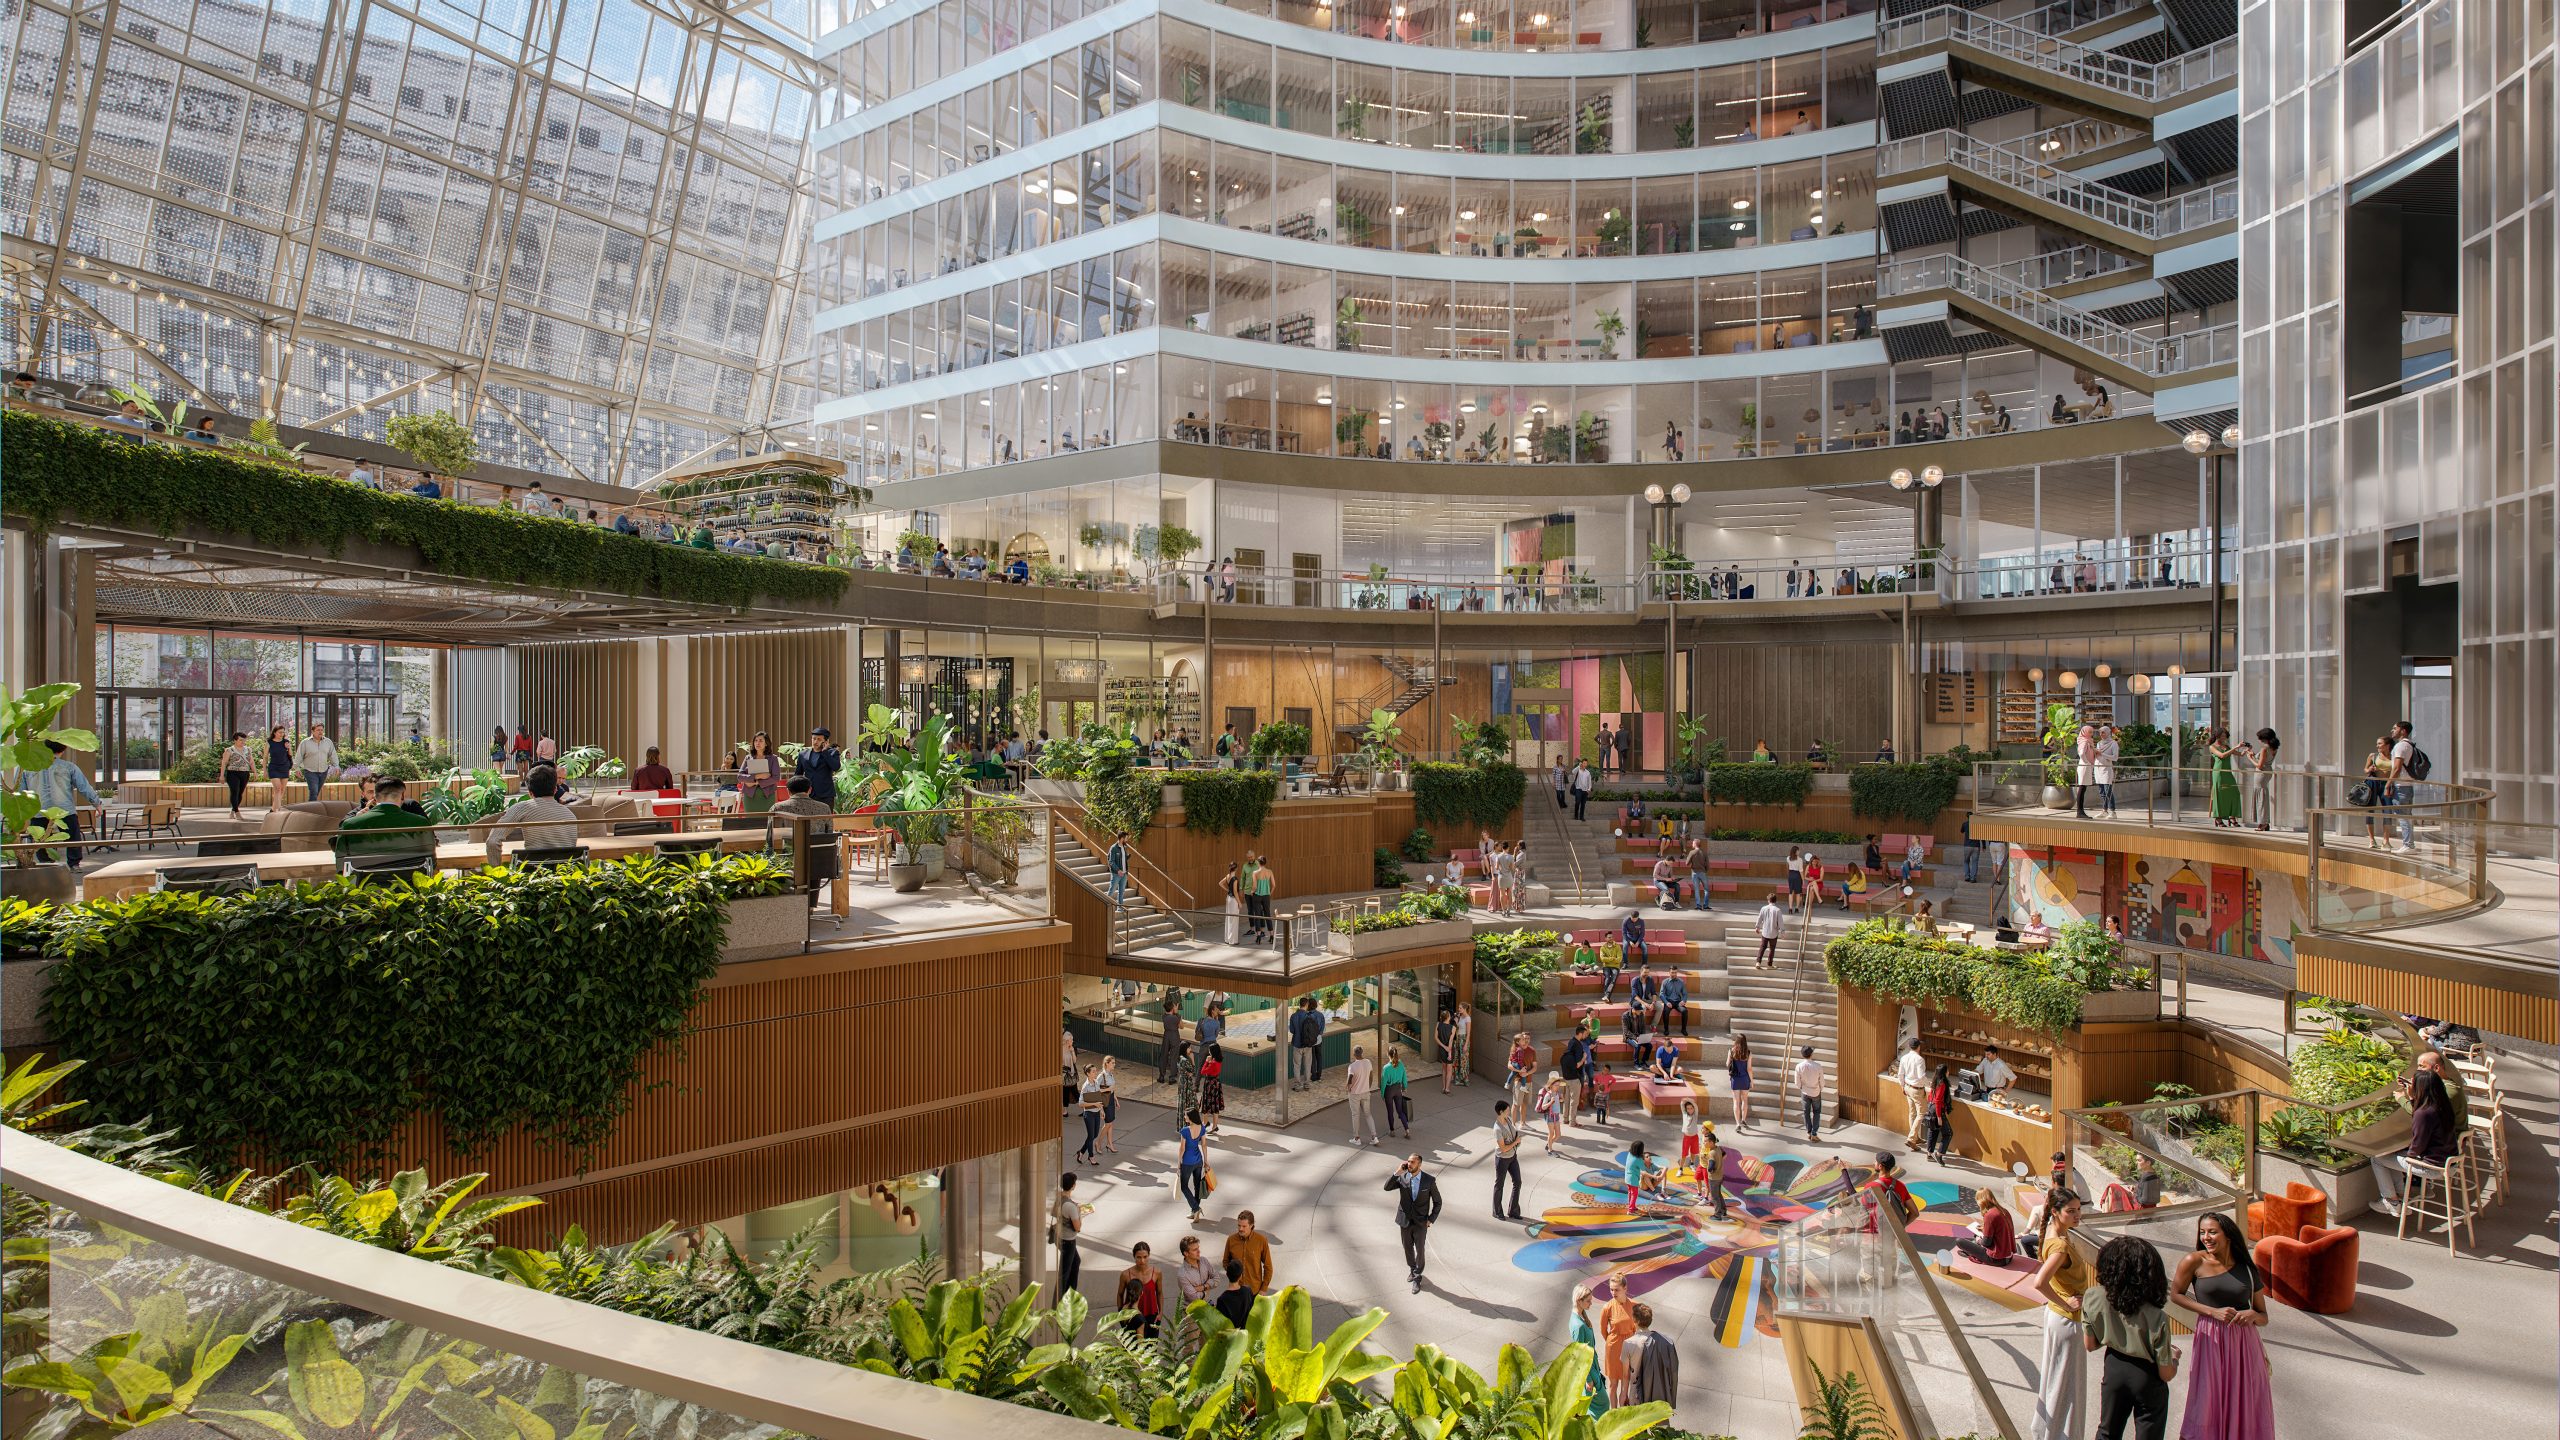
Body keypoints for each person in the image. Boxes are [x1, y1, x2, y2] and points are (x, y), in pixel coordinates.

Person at [2171, 1211, 2275, 1440]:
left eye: (2212, 1232)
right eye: (2202, 1232)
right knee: (2206, 1398)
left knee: (2245, 1398)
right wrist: (2211, 1312)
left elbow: (2263, 1316)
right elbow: (2176, 1295)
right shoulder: (2194, 1261)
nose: (2206, 1237)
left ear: (2227, 1235)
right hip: (2210, 1337)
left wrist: (2251, 1315)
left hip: (2244, 1344)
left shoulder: (2247, 1269)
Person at [2082, 1235, 2178, 1440]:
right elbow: (2166, 1374)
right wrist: (2175, 1359)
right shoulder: (2156, 1315)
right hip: (2147, 1376)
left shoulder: (2092, 1296)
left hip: (2114, 1367)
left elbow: (2090, 1344)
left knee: (2107, 1431)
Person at [2027, 1187, 2089, 1440]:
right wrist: (2066, 1304)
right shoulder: (2060, 1245)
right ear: (2055, 1212)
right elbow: (2039, 1283)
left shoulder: (2052, 1235)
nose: (2077, 1215)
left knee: (2055, 1378)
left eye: (2079, 1210)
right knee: (2067, 1383)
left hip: (2057, 1317)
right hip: (2066, 1320)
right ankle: (2059, 1435)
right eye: (2071, 1211)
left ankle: (2047, 1432)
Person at [2369, 1049, 2460, 1213]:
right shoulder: (2443, 1104)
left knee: (2377, 1158)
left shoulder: (2423, 1113)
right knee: (2392, 1156)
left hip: (2433, 1167)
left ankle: (2392, 1201)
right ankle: (2400, 1196)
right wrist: (2412, 1098)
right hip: (2450, 1160)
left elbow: (2417, 1147)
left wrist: (2403, 1153)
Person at [20, 740, 103, 866]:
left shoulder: (28, 767)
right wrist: (97, 804)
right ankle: (74, 863)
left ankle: (45, 863)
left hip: (39, 809)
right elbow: (84, 787)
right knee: (73, 837)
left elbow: (21, 791)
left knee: (39, 839)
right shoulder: (69, 767)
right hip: (64, 809)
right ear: (63, 750)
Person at [334, 777, 437, 858]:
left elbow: (341, 857)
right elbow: (430, 853)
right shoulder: (420, 821)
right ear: (401, 796)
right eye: (370, 792)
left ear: (377, 795)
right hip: (409, 877)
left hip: (366, 879)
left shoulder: (350, 824)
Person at [1384, 1153, 1444, 1292]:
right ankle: (1412, 1269)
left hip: (1421, 1222)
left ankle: (1417, 1277)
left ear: (1419, 1164)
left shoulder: (1429, 1181)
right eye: (1409, 1161)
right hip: (1404, 1220)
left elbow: (1438, 1202)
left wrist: (1431, 1219)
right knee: (1407, 1248)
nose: (1409, 1164)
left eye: (1413, 1162)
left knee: (1420, 1249)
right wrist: (1397, 1172)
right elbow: (1386, 1187)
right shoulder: (1402, 1178)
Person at [1619, 1303, 1679, 1411]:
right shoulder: (1665, 1342)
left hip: (1636, 1395)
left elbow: (1625, 1375)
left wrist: (1623, 1394)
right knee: (1661, 1427)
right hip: (1659, 1394)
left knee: (1637, 1427)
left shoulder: (1628, 1343)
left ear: (1635, 1320)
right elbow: (1673, 1371)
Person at [1597, 1277, 1637, 1405]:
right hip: (1613, 1348)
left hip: (1630, 1347)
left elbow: (1637, 1327)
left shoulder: (1635, 1306)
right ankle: (1613, 1415)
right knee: (1613, 1385)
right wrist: (1613, 1341)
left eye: (1616, 1290)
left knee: (1626, 1385)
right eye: (1611, 1289)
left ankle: (1623, 1415)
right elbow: (1603, 1330)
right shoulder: (1607, 1307)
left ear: (1625, 1288)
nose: (1613, 1293)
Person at [1953, 1187, 2018, 1266]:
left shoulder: (1990, 1215)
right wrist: (1984, 1229)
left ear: (1980, 1201)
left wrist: (1979, 1240)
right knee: (1976, 1236)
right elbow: (2000, 1232)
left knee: (1959, 1241)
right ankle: (1972, 1251)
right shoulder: (2004, 1211)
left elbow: (1986, 1243)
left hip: (1997, 1259)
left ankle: (1971, 1253)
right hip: (2008, 1256)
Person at [1114, 1242, 1165, 1338]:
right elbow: (1120, 1294)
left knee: (1151, 1349)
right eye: (1139, 1257)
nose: (1142, 1261)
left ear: (1149, 1256)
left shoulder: (1156, 1273)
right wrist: (1121, 1313)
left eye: (1145, 1257)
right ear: (1134, 1257)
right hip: (1132, 1316)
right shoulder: (1125, 1274)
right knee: (1132, 1348)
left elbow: (1159, 1293)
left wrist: (1160, 1312)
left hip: (1152, 1316)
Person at [1222, 1209, 1273, 1295]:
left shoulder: (1261, 1240)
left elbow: (1268, 1267)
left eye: (1244, 1226)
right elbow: (1225, 1262)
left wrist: (1263, 1289)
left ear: (1251, 1225)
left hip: (1254, 1292)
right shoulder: (1231, 1240)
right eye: (1239, 1225)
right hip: (1236, 1292)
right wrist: (1233, 1278)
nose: (1240, 1229)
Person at [1052, 1173, 1086, 1297]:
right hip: (1068, 1240)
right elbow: (1077, 1228)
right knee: (1064, 1272)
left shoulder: (1059, 1198)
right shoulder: (1071, 1207)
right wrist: (1079, 1213)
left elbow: (1054, 1213)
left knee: (1076, 1262)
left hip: (1060, 1236)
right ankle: (1061, 1299)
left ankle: (1070, 1293)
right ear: (1073, 1186)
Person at [1491, 1099, 1525, 1219]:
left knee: (1518, 1182)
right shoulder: (1497, 1129)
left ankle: (1513, 1211)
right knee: (1499, 1185)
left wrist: (1517, 1140)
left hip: (1513, 1156)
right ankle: (1497, 1211)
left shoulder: (1509, 1120)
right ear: (1501, 1112)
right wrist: (1515, 1142)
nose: (1509, 1111)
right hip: (1502, 1159)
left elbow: (1514, 1132)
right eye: (1507, 1110)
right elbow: (1503, 1148)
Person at [1895, 1038, 1930, 1148]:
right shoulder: (1919, 1059)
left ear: (1910, 1047)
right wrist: (1929, 1084)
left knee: (1912, 1113)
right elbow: (1921, 1076)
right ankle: (1911, 1138)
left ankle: (1915, 1137)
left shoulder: (1904, 1058)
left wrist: (1902, 1086)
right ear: (1919, 1047)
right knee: (1921, 1114)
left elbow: (1900, 1074)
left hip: (1907, 1087)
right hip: (1917, 1090)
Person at [1174, 1234, 1220, 1315]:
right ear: (1186, 1253)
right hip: (1191, 1313)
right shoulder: (1182, 1274)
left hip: (1206, 1306)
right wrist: (1209, 1287)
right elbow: (1195, 1298)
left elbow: (1217, 1279)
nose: (1199, 1251)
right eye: (1195, 1250)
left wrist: (1203, 1287)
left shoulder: (1204, 1261)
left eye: (1198, 1248)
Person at [795, 726, 842, 805]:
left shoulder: (832, 753)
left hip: (826, 795)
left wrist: (825, 752)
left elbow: (836, 767)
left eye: (819, 739)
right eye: (814, 738)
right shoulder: (803, 754)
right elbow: (798, 774)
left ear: (825, 741)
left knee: (826, 817)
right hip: (807, 794)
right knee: (807, 817)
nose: (815, 742)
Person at [292, 721, 338, 801]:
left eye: (321, 730)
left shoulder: (328, 742)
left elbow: (332, 755)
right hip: (310, 771)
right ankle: (311, 810)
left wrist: (336, 766)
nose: (320, 732)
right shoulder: (305, 742)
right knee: (314, 791)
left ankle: (311, 807)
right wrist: (296, 768)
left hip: (323, 771)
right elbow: (299, 756)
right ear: (312, 731)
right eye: (318, 730)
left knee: (316, 792)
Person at [738, 732, 782, 813]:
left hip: (767, 795)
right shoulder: (748, 757)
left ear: (766, 743)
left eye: (761, 741)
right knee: (751, 821)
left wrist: (757, 783)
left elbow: (776, 778)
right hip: (749, 795)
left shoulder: (773, 758)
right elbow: (740, 776)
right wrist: (757, 777)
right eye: (756, 740)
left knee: (766, 820)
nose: (757, 743)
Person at [215, 730, 256, 818]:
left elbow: (251, 762)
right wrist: (222, 776)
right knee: (234, 791)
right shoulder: (229, 750)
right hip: (233, 773)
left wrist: (255, 772)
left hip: (245, 773)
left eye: (244, 740)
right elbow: (224, 763)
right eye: (241, 740)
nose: (243, 742)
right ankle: (237, 812)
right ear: (235, 740)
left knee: (240, 793)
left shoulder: (248, 750)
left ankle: (233, 809)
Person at [2206, 725, 2242, 827]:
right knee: (2219, 794)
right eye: (2222, 736)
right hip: (2218, 773)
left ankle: (2232, 816)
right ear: (2217, 736)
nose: (2224, 738)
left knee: (2234, 793)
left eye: (2225, 736)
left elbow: (2240, 754)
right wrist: (2235, 747)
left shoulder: (2227, 747)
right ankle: (2218, 818)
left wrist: (2246, 750)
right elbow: (2222, 755)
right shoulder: (2212, 747)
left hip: (2227, 772)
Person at [2246, 726, 2280, 831]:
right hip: (2268, 770)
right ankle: (2264, 821)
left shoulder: (2264, 748)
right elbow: (2265, 760)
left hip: (2261, 773)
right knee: (2263, 796)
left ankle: (2263, 822)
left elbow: (2259, 765)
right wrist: (2254, 755)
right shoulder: (2273, 747)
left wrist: (2250, 758)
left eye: (2260, 738)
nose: (2259, 740)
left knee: (2261, 797)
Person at [1346, 1044, 1380, 1146]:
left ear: (1354, 1054)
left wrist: (1348, 1088)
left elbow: (1349, 1079)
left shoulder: (1352, 1066)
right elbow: (1371, 1076)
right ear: (1362, 1053)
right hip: (1366, 1093)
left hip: (1355, 1094)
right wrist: (1368, 1087)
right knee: (1368, 1114)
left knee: (1355, 1115)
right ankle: (1374, 1137)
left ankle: (1357, 1138)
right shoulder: (1368, 1062)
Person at [1288, 995, 1324, 1089]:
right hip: (1308, 1045)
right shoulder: (1310, 1016)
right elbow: (1315, 1030)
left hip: (1297, 1044)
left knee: (1297, 1065)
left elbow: (1292, 1030)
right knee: (1308, 1065)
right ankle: (1307, 1084)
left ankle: (1297, 1085)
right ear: (1307, 1005)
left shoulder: (1293, 1016)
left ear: (1299, 1005)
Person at [1922, 1064, 1955, 1163]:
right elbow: (1938, 1101)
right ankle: (1939, 1153)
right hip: (1937, 1110)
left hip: (1931, 1108)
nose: (1949, 1072)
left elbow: (1930, 1097)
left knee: (1933, 1131)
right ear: (1944, 1073)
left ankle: (1929, 1153)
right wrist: (1939, 1116)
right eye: (1947, 1071)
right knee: (1948, 1133)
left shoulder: (1935, 1081)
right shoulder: (1942, 1084)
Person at [1794, 1044, 1825, 1142]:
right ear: (1811, 1054)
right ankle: (1814, 1133)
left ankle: (1808, 1132)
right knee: (1816, 1112)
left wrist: (1801, 1087)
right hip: (1815, 1091)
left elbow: (1797, 1082)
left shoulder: (1798, 1066)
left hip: (1805, 1092)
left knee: (1806, 1112)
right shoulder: (1818, 1066)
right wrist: (1821, 1088)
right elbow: (1822, 1081)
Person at [1620, 1141, 1662, 1213]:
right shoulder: (1638, 1159)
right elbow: (1644, 1171)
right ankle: (1630, 1210)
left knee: (1630, 1192)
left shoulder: (1630, 1154)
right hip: (1633, 1180)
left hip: (1627, 1177)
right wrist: (1654, 1177)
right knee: (1634, 1194)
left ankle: (1631, 1206)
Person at [1074, 1064, 1104, 1163]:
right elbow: (1080, 1103)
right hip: (1089, 1114)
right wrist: (1094, 1103)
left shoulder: (1096, 1083)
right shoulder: (1085, 1086)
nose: (1096, 1073)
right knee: (1091, 1136)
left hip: (1096, 1113)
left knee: (1094, 1135)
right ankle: (1091, 1156)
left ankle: (1081, 1152)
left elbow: (1099, 1098)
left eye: (1096, 1070)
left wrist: (1102, 1111)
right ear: (1088, 1074)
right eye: (1093, 1071)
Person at [1213, 1258, 1256, 1325]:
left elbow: (1220, 1324)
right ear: (1240, 1276)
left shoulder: (1222, 1299)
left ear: (1227, 1274)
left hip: (1231, 1335)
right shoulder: (1247, 1291)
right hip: (1247, 1332)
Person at [1380, 1046, 1412, 1137]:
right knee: (1400, 1111)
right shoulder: (1401, 1064)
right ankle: (1407, 1129)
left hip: (1389, 1091)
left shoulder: (1386, 1068)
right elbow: (1404, 1078)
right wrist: (1405, 1087)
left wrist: (1382, 1094)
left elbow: (1383, 1083)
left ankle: (1392, 1130)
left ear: (1388, 1054)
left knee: (1390, 1111)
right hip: (1398, 1089)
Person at [1727, 1032, 1756, 1129]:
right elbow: (1749, 1069)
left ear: (1736, 1041)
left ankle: (1738, 1124)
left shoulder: (1731, 1051)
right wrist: (1752, 1081)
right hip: (1745, 1079)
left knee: (1736, 1101)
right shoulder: (1748, 1053)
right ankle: (1743, 1120)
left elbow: (1727, 1064)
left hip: (1735, 1079)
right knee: (1745, 1100)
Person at [2094, 724, 2121, 818]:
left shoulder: (2113, 743)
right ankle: (2104, 810)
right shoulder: (2099, 743)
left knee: (2108, 790)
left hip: (2106, 769)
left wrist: (2102, 754)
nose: (2101, 734)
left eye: (2103, 732)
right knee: (2102, 791)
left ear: (2108, 733)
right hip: (2098, 768)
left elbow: (2115, 757)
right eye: (2100, 732)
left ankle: (2113, 811)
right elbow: (2097, 755)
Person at [1535, 1071, 1566, 1151]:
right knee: (1551, 1133)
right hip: (1550, 1116)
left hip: (1557, 1116)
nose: (1558, 1087)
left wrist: (1562, 1099)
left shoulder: (1557, 1093)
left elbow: (1558, 1102)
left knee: (1558, 1135)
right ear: (1551, 1085)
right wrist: (1550, 1102)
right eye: (1556, 1085)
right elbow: (1543, 1107)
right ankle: (1550, 1150)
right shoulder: (1548, 1095)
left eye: (1559, 1085)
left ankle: (1549, 1144)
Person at [2073, 722, 2098, 819]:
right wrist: (2086, 762)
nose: (2091, 734)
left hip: (2087, 766)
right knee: (2082, 788)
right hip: (2084, 766)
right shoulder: (2084, 741)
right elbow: (2081, 753)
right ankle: (2080, 811)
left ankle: (2081, 811)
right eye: (2090, 732)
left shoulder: (2088, 741)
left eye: (2092, 732)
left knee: (2083, 788)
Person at [1755, 891, 1786, 968]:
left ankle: (1758, 962)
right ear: (1775, 901)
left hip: (1765, 932)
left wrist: (1757, 927)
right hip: (1773, 933)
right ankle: (1769, 964)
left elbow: (1760, 918)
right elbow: (1780, 922)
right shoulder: (1778, 910)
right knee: (1772, 949)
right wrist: (1782, 932)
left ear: (1768, 900)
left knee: (1762, 947)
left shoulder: (1763, 908)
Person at [1435, 1009, 1459, 1094]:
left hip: (1442, 1049)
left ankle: (1443, 1087)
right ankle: (1447, 1089)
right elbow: (1451, 1040)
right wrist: (1449, 1052)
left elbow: (1436, 1038)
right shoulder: (1453, 1027)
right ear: (1448, 1017)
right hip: (1449, 1050)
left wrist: (1443, 1047)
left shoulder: (1438, 1024)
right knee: (1449, 1070)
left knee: (1444, 1069)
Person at [1659, 969, 1689, 1037]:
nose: (1674, 974)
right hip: (1669, 1001)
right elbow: (1661, 994)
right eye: (1672, 972)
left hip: (1678, 1002)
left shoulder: (1681, 982)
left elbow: (1685, 994)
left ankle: (1683, 1029)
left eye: (1675, 973)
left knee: (1685, 1011)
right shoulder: (1665, 982)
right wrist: (1666, 1002)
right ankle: (1666, 1029)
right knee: (1665, 1011)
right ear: (1669, 972)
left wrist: (1683, 1001)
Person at [1105, 831, 1130, 908]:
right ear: (1122, 838)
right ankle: (1104, 906)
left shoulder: (1124, 847)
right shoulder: (1114, 848)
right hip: (1116, 874)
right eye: (1126, 838)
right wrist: (1118, 870)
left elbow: (1123, 859)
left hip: (1124, 873)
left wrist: (1128, 856)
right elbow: (1111, 861)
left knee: (1121, 892)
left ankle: (1120, 908)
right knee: (1111, 891)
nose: (1127, 839)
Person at [1219, 861, 1242, 944]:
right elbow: (1235, 892)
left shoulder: (1228, 876)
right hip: (1233, 900)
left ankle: (1227, 939)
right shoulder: (1235, 879)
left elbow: (1220, 883)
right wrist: (1239, 902)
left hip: (1228, 898)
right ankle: (1233, 940)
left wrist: (1227, 890)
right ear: (1236, 868)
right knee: (1234, 919)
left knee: (1228, 918)